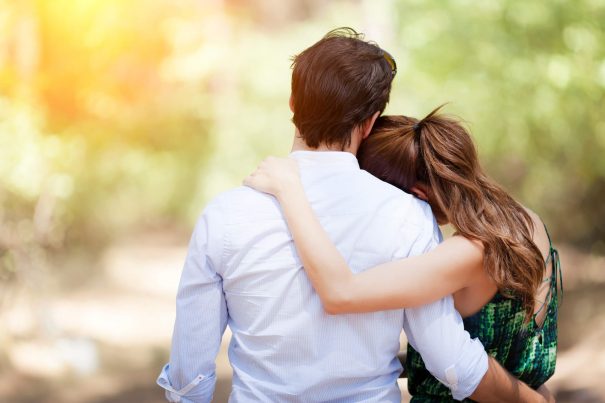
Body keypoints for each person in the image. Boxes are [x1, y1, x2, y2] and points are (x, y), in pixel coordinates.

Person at [158, 27, 550, 402]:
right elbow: (450, 361)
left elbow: (189, 373)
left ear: (293, 104)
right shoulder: (408, 216)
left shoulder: (225, 215)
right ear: (371, 122)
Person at [244, 106, 561, 402]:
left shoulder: (465, 254)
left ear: (417, 196)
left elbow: (341, 292)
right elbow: (510, 356)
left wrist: (290, 190)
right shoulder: (526, 223)